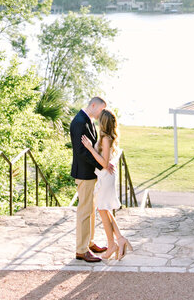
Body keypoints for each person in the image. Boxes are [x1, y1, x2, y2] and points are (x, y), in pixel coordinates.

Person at [82, 108, 133, 260]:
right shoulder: (107, 137)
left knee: (102, 209)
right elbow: (107, 161)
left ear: (102, 122)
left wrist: (90, 148)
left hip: (106, 176)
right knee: (105, 210)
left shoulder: (106, 139)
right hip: (106, 176)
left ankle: (112, 245)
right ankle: (119, 239)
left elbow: (104, 163)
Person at [70, 96, 113, 263]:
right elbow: (82, 151)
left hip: (90, 173)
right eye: (101, 110)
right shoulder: (80, 121)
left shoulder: (88, 120)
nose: (102, 114)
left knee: (91, 210)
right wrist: (102, 164)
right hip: (84, 174)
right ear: (93, 105)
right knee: (84, 212)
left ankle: (89, 242)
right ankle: (81, 250)